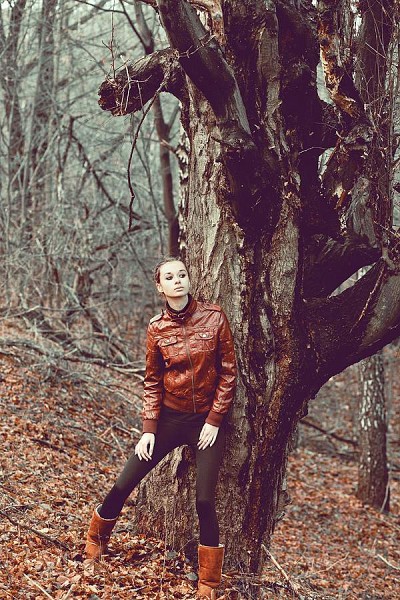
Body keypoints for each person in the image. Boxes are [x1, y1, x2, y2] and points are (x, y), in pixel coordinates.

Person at [84, 257, 236, 599]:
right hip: (169, 419)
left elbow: (229, 373)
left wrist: (214, 420)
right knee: (125, 482)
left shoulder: (214, 317)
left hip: (206, 424)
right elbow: (152, 380)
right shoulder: (157, 328)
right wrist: (149, 429)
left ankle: (209, 582)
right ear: (160, 287)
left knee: (205, 500)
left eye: (182, 274)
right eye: (170, 277)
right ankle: (96, 538)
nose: (178, 280)